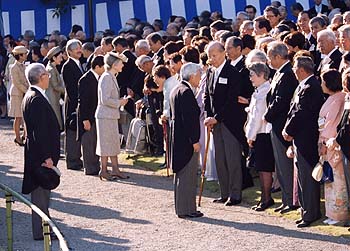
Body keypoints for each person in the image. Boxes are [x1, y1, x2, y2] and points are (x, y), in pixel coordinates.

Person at [283, 56, 324, 228]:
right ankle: (305, 210)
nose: (293, 71)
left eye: (294, 68)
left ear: (301, 70)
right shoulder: (304, 86)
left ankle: (311, 213)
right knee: (301, 176)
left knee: (307, 177)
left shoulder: (310, 87)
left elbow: (301, 113)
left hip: (306, 139)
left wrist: (288, 130)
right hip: (300, 138)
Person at [22, 63, 60, 240]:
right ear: (41, 76)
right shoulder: (35, 98)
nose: (49, 78)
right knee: (40, 194)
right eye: (47, 75)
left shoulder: (33, 95)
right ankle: (42, 231)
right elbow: (40, 132)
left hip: (38, 154)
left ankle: (45, 228)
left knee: (44, 194)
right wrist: (47, 157)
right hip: (40, 156)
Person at [204, 41, 243, 206]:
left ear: (223, 54)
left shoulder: (232, 72)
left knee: (232, 159)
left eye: (214, 55)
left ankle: (235, 194)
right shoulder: (210, 72)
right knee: (219, 159)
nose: (212, 59)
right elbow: (207, 96)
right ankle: (224, 192)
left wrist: (217, 117)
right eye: (209, 56)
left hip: (229, 123)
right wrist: (209, 116)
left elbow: (231, 100)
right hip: (215, 123)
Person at [265, 42, 299, 214]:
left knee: (285, 165)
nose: (269, 61)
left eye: (270, 57)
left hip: (281, 125)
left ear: (278, 56)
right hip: (276, 125)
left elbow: (281, 101)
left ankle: (291, 200)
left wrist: (267, 115)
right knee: (280, 165)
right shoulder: (280, 72)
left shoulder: (287, 74)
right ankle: (286, 199)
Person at [170, 62, 202, 218]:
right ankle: (186, 209)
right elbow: (189, 120)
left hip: (179, 139)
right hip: (187, 141)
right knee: (187, 176)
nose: (200, 78)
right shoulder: (186, 92)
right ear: (193, 75)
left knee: (182, 175)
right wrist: (194, 140)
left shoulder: (177, 89)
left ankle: (185, 207)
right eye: (199, 74)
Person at [319, 69, 349, 225]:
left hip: (332, 142)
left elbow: (332, 123)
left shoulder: (338, 99)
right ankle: (331, 213)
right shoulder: (334, 98)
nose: (321, 84)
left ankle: (339, 215)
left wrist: (324, 141)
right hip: (327, 140)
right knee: (330, 180)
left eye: (323, 81)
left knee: (336, 180)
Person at [246, 62, 275, 211]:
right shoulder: (259, 90)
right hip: (258, 133)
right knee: (261, 168)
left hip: (262, 134)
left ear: (262, 75)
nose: (250, 78)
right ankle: (264, 197)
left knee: (265, 168)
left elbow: (258, 117)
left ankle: (267, 198)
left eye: (252, 74)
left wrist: (251, 136)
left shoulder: (265, 91)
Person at [95, 52, 129, 181]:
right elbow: (105, 100)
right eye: (121, 63)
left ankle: (115, 169)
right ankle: (103, 170)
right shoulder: (107, 77)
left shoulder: (111, 76)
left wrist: (119, 101)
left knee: (113, 143)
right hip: (105, 116)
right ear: (114, 64)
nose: (123, 66)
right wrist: (119, 102)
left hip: (110, 115)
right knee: (105, 144)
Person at [77, 55, 105, 175]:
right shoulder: (86, 79)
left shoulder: (98, 78)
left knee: (94, 141)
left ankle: (95, 166)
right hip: (87, 116)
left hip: (95, 115)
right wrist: (85, 119)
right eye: (104, 67)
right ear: (97, 66)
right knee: (88, 142)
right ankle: (89, 167)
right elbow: (82, 101)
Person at [62, 39, 84, 170]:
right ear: (69, 51)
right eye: (76, 48)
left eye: (80, 47)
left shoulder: (78, 63)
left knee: (76, 131)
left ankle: (76, 158)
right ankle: (72, 160)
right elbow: (71, 88)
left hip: (77, 102)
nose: (79, 50)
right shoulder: (68, 66)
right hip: (72, 103)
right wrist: (77, 105)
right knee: (71, 132)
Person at [9, 46, 29, 146]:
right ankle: (17, 137)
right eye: (25, 54)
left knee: (25, 116)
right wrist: (27, 91)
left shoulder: (24, 66)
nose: (26, 55)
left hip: (24, 93)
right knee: (18, 117)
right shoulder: (14, 67)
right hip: (17, 94)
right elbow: (17, 82)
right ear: (20, 55)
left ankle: (24, 136)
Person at [45, 46, 65, 131]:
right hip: (52, 98)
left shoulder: (52, 68)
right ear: (54, 57)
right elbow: (55, 86)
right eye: (60, 57)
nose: (61, 59)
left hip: (54, 97)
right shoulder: (51, 69)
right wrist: (66, 91)